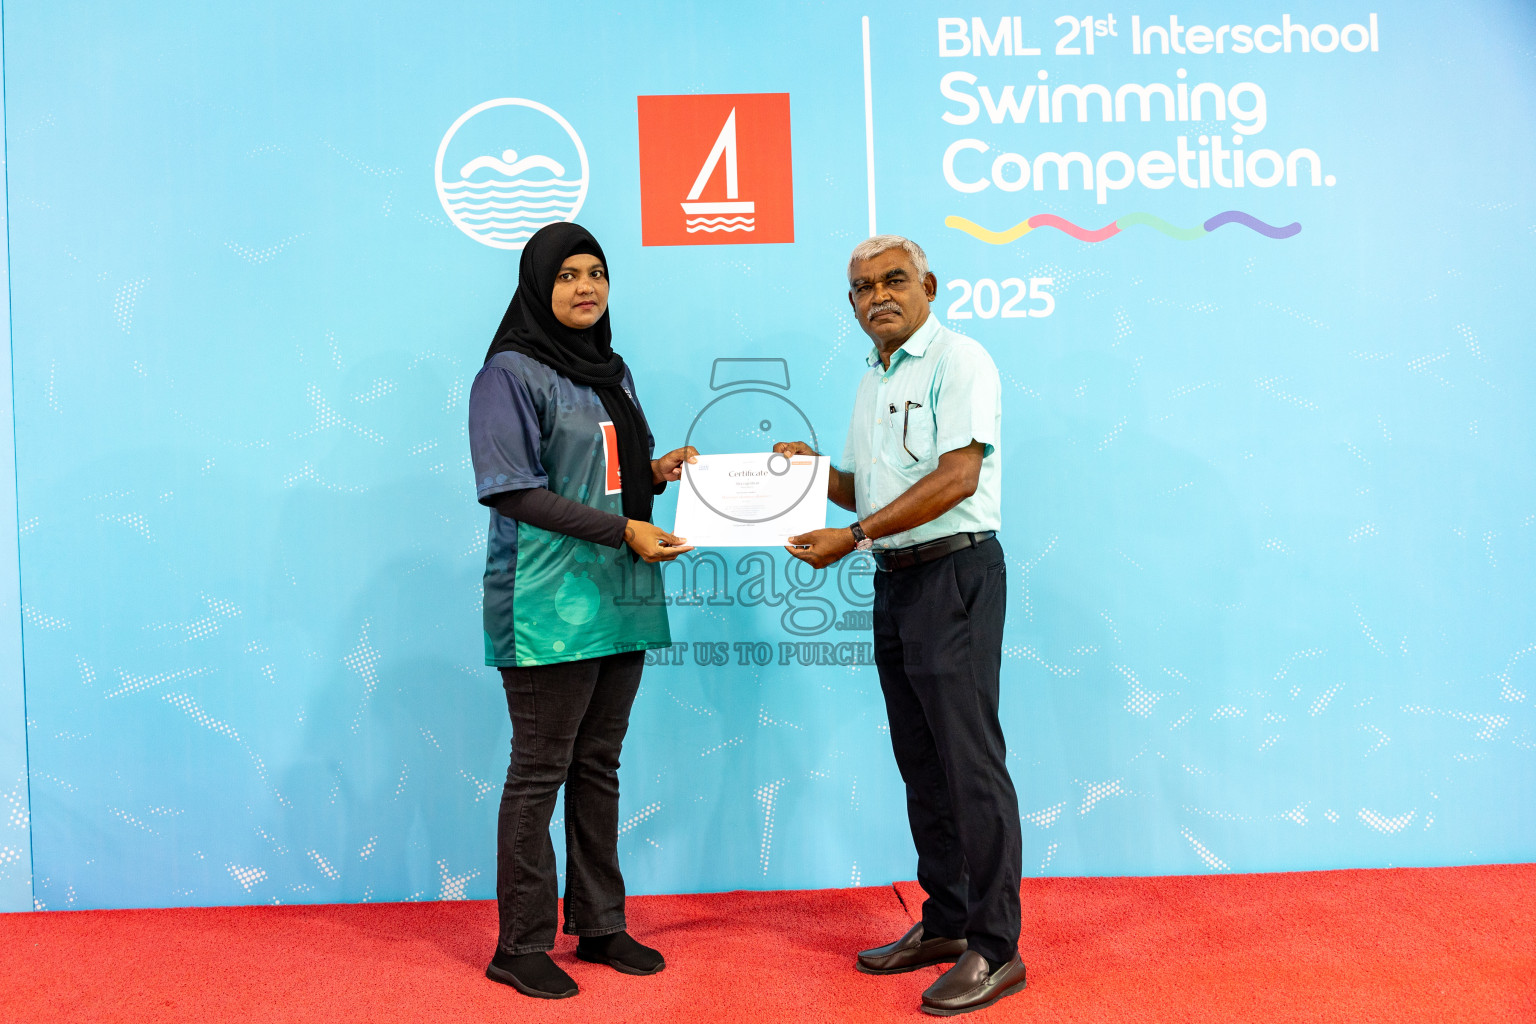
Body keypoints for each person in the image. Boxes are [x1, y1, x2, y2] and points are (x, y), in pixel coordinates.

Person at [775, 235, 1025, 1016]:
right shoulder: (868, 381)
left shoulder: (961, 361)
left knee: (970, 765)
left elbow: (957, 478)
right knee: (922, 762)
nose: (877, 295)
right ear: (850, 304)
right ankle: (947, 922)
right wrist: (807, 473)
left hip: (955, 574)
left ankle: (996, 948)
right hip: (897, 581)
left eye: (892, 280)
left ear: (929, 285)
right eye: (860, 287)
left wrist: (852, 538)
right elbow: (863, 488)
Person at [467, 221, 697, 1000]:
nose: (585, 287)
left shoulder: (612, 370)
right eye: (566, 274)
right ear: (538, 285)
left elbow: (605, 470)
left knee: (598, 765)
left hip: (621, 595)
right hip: (547, 605)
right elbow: (515, 489)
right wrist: (625, 527)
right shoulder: (510, 372)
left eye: (596, 272)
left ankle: (599, 925)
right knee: (540, 772)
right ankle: (521, 943)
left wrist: (657, 475)